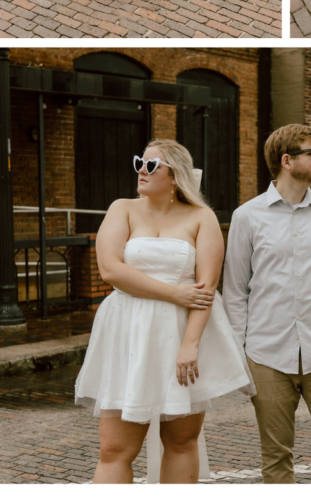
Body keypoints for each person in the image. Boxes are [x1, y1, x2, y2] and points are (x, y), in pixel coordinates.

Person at [75, 140, 254, 484]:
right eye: (139, 161)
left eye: (152, 165)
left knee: (181, 441)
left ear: (175, 177)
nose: (141, 169)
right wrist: (175, 293)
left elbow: (205, 290)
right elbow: (110, 270)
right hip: (128, 333)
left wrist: (190, 345)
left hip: (181, 333)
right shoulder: (122, 209)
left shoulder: (202, 218)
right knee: (113, 449)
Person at [223, 124, 311, 485]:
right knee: (275, 461)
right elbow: (236, 292)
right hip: (266, 357)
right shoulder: (247, 217)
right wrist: (240, 356)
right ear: (287, 161)